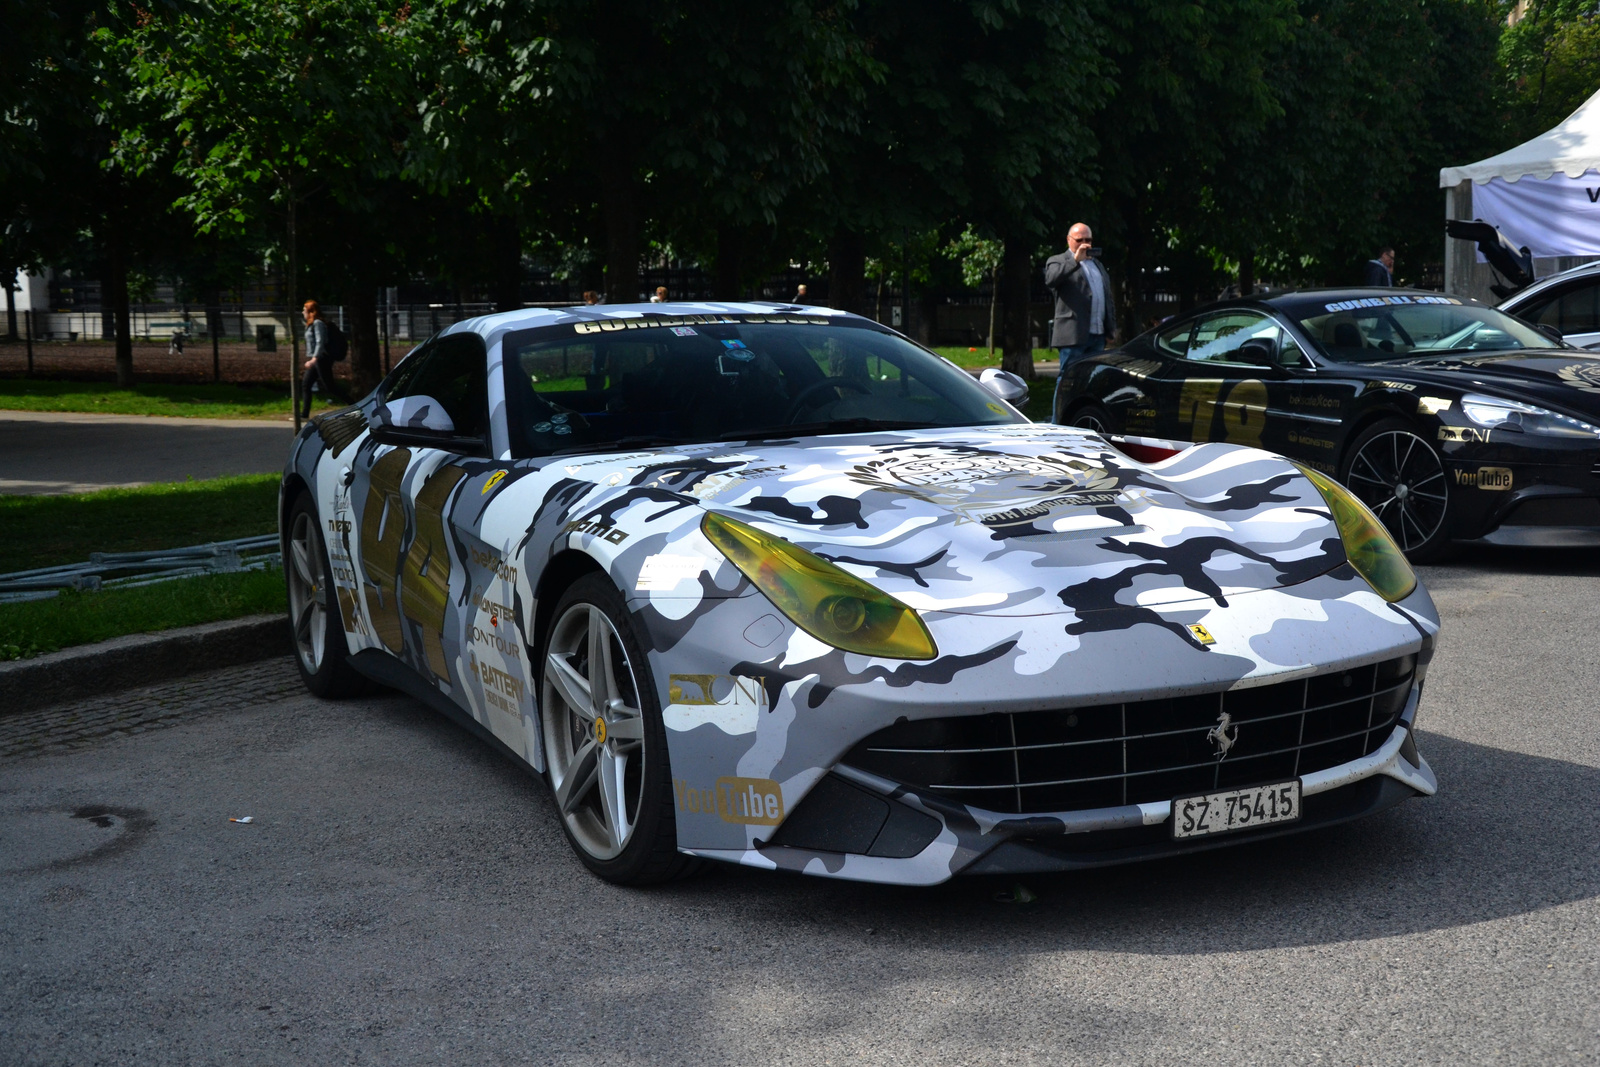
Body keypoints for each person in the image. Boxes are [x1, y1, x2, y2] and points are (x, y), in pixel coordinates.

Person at [1043, 223, 1117, 422]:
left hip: (1097, 334)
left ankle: (1084, 419)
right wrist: (1075, 260)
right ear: (1069, 240)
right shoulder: (1058, 261)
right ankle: (1057, 423)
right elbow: (1051, 280)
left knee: (1093, 381)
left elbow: (1106, 297)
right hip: (1072, 335)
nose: (1085, 244)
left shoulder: (1097, 264)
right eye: (1080, 240)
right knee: (1067, 379)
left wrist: (1111, 327)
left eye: (1088, 240)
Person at [298, 300, 349, 419]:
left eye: (304, 310)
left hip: (322, 359)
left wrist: (314, 359)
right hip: (318, 359)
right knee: (306, 384)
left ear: (310, 311)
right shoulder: (312, 324)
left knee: (330, 387)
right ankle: (304, 414)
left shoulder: (318, 323)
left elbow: (320, 341)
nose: (302, 312)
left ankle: (355, 405)